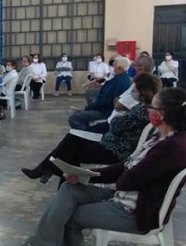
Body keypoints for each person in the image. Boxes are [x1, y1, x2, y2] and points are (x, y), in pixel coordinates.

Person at [3, 87, 186, 246]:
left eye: (151, 107)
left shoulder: (171, 148)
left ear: (163, 114)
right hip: (127, 198)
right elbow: (124, 167)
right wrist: (85, 174)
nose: (147, 110)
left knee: (66, 214)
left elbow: (128, 180)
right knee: (70, 187)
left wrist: (103, 177)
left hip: (134, 211)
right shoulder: (161, 137)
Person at [22, 73, 160, 183]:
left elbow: (116, 126)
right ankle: (50, 172)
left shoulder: (141, 111)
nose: (132, 93)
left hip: (116, 149)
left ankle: (52, 173)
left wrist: (118, 116)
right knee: (72, 139)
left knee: (71, 149)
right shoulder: (145, 109)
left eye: (134, 90)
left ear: (143, 92)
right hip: (114, 142)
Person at [69, 56, 132, 132]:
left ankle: (88, 136)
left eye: (114, 66)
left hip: (106, 111)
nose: (113, 68)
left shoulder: (118, 81)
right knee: (91, 93)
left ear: (120, 68)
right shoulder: (124, 79)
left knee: (74, 118)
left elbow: (104, 101)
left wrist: (87, 109)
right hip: (108, 108)